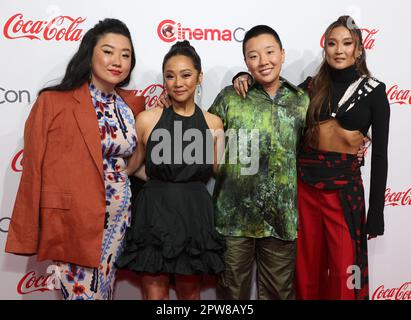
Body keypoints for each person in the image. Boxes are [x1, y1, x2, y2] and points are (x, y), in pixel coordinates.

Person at [233, 16, 390, 300]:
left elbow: (380, 155)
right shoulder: (309, 86)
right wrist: (243, 78)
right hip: (304, 190)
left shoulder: (375, 91)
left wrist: (376, 211)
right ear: (325, 48)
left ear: (359, 49)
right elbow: (272, 92)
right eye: (332, 43)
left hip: (344, 193)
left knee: (346, 272)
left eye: (346, 43)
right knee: (306, 272)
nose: (338, 50)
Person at [5, 18, 145, 300]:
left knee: (105, 292)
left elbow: (131, 162)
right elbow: (33, 172)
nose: (117, 60)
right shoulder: (54, 102)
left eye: (125, 54)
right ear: (90, 53)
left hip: (119, 222)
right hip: (75, 224)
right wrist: (30, 231)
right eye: (108, 51)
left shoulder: (130, 104)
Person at [115, 40, 225, 300]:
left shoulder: (213, 122)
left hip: (194, 213)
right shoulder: (147, 119)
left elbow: (218, 170)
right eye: (170, 76)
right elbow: (135, 167)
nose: (178, 82)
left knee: (190, 294)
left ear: (199, 77)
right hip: (154, 212)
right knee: (154, 294)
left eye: (186, 75)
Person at [209, 25, 310, 300]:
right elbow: (202, 139)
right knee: (232, 295)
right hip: (233, 219)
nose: (263, 61)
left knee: (279, 294)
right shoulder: (230, 97)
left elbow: (311, 150)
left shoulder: (302, 101)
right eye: (253, 56)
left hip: (281, 219)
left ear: (282, 54)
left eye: (269, 52)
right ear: (245, 62)